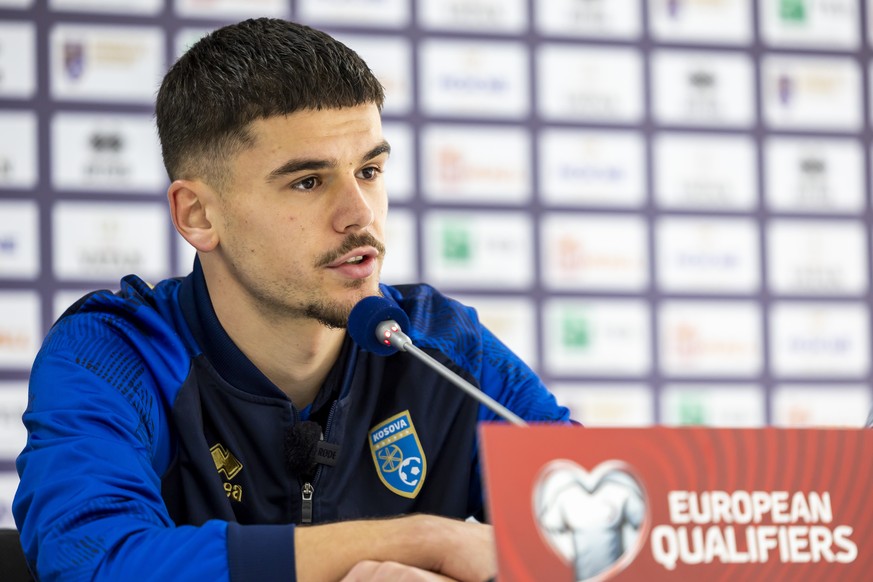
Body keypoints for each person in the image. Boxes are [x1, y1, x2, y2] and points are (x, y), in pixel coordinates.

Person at [13, 17, 570, 582]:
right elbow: (94, 560)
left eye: (369, 170)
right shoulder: (115, 354)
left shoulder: (443, 345)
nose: (361, 215)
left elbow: (610, 530)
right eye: (308, 181)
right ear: (198, 215)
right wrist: (420, 540)